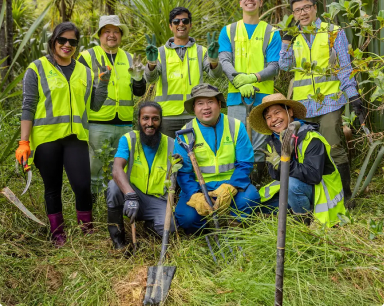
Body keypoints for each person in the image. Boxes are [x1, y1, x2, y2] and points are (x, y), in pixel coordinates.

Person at [15, 22, 110, 247]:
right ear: (53, 41)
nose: (67, 45)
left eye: (72, 42)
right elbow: (28, 106)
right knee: (52, 187)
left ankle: (86, 231)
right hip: (46, 138)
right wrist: (23, 142)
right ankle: (58, 235)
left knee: (82, 185)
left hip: (75, 137)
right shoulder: (36, 68)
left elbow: (94, 106)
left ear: (77, 45)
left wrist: (103, 83)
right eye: (62, 40)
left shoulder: (85, 72)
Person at [279, 0, 363, 202]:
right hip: (302, 106)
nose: (303, 13)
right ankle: (318, 199)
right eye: (298, 10)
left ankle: (344, 199)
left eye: (306, 7)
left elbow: (344, 67)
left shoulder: (333, 32)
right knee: (307, 152)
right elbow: (285, 65)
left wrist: (353, 96)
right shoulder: (293, 36)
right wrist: (286, 42)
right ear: (294, 14)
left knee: (333, 148)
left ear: (315, 8)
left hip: (329, 102)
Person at [249, 93, 346, 227]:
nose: (274, 119)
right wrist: (277, 165)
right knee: (255, 204)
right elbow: (275, 175)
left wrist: (284, 163)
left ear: (290, 112)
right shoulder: (273, 141)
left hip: (320, 191)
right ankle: (295, 209)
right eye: (268, 117)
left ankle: (303, 222)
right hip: (294, 189)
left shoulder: (311, 138)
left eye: (277, 113)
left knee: (291, 185)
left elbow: (313, 176)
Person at [174, 83, 260, 234]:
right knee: (187, 217)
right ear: (194, 108)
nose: (206, 107)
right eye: (200, 103)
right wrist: (195, 194)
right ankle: (206, 232)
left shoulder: (236, 126)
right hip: (199, 187)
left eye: (210, 102)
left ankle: (234, 227)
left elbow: (245, 163)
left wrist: (232, 186)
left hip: (231, 183)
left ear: (219, 104)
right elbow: (183, 173)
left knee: (250, 199)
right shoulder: (185, 134)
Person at [218, 0, 281, 182]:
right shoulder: (228, 30)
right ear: (240, 3)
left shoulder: (271, 32)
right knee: (236, 140)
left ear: (261, 3)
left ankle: (257, 183)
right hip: (237, 97)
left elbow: (274, 66)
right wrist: (238, 80)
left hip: (263, 97)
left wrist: (252, 78)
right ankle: (238, 184)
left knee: (260, 143)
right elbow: (224, 59)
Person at [78, 15, 146, 197]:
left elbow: (139, 92)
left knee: (120, 173)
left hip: (124, 124)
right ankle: (92, 213)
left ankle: (114, 209)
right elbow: (76, 89)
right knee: (94, 173)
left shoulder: (129, 58)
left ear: (121, 35)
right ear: (99, 35)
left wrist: (139, 78)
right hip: (96, 123)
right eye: (107, 31)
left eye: (116, 31)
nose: (112, 35)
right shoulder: (86, 57)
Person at [106, 101, 176, 250]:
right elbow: (117, 169)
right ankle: (118, 242)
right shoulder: (129, 139)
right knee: (113, 186)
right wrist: (130, 195)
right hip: (131, 196)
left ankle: (149, 226)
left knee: (169, 230)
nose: (150, 123)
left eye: (155, 119)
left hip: (158, 200)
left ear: (161, 120)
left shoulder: (172, 144)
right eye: (145, 118)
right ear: (138, 120)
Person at [144, 7, 222, 138]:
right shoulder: (159, 52)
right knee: (169, 155)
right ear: (170, 26)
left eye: (185, 21)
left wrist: (213, 59)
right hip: (167, 115)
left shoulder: (200, 51)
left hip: (193, 113)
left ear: (190, 25)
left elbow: (215, 74)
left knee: (196, 155)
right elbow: (150, 79)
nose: (181, 24)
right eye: (176, 21)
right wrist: (151, 64)